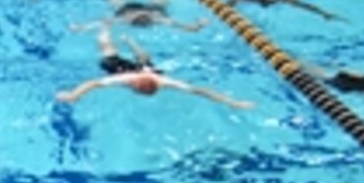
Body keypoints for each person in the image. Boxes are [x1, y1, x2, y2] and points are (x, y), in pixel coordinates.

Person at [56, 65, 254, 109]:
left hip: (147, 69)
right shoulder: (126, 78)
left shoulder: (164, 82)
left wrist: (232, 102)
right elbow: (93, 83)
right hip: (121, 67)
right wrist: (75, 94)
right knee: (109, 55)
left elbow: (200, 91)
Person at [88, 0, 207, 33]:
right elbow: (187, 27)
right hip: (154, 10)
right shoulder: (157, 19)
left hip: (128, 9)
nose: (142, 15)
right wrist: (199, 25)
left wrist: (81, 28)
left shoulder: (126, 18)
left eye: (141, 18)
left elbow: (101, 23)